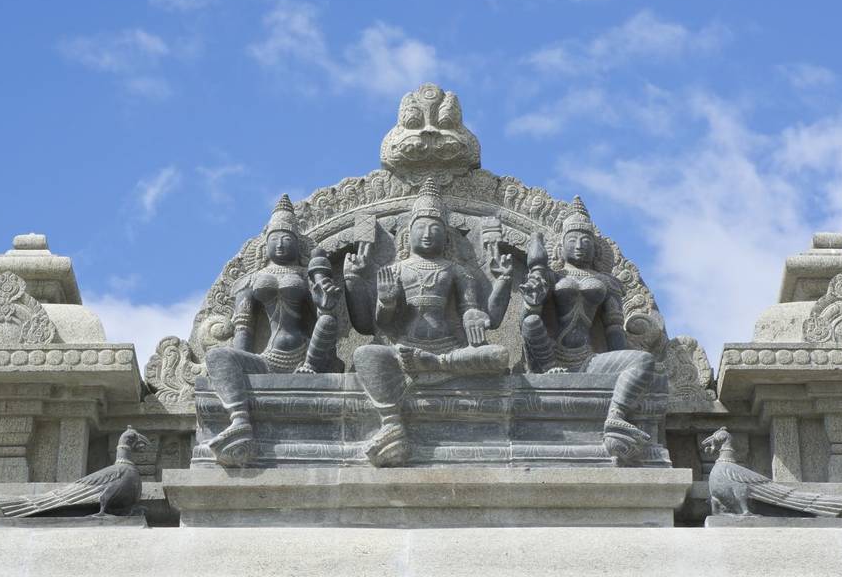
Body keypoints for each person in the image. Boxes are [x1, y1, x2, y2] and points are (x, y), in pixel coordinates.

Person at [345, 178, 511, 466]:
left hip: (447, 350)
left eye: (435, 228)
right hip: (404, 350)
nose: (427, 233)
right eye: (421, 227)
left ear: (446, 236)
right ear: (409, 233)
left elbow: (470, 309)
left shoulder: (456, 271)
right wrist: (386, 301)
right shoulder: (394, 270)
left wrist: (476, 312)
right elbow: (380, 325)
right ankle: (391, 422)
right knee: (365, 354)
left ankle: (436, 363)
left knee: (499, 355)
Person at [203, 195, 341, 465]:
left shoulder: (306, 275)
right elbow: (244, 328)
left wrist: (326, 306)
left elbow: (321, 324)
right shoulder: (250, 281)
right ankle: (240, 419)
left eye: (287, 238)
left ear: (297, 244)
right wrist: (240, 365)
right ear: (264, 244)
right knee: (218, 357)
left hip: (305, 357)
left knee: (327, 321)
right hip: (267, 359)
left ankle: (309, 367)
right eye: (275, 238)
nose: (280, 243)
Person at [519, 197, 656, 464]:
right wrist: (533, 299)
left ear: (595, 249)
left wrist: (621, 367)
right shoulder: (552, 276)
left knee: (644, 361)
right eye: (572, 240)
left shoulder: (606, 283)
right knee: (530, 323)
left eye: (585, 241)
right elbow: (528, 313)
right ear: (561, 246)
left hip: (588, 359)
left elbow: (614, 329)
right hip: (551, 357)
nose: (579, 246)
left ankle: (616, 416)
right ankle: (548, 370)